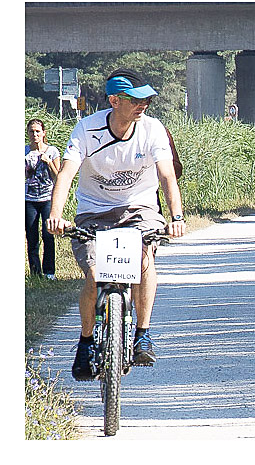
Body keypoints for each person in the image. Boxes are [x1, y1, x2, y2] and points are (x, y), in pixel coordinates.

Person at [46, 68, 186, 381]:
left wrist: (176, 216)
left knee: (144, 259)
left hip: (140, 208)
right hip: (94, 212)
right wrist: (56, 214)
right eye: (135, 99)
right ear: (114, 100)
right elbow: (66, 174)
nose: (143, 105)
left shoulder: (152, 129)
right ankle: (85, 342)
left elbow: (166, 175)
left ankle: (142, 334)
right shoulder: (87, 129)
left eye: (146, 99)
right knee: (95, 276)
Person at [25, 118, 61, 280]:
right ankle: (35, 273)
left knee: (48, 235)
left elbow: (58, 177)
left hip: (47, 198)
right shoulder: (24, 152)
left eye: (38, 131)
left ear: (44, 133)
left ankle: (49, 272)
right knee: (31, 236)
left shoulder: (52, 151)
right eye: (31, 131)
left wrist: (48, 162)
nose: (35, 135)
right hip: (29, 199)